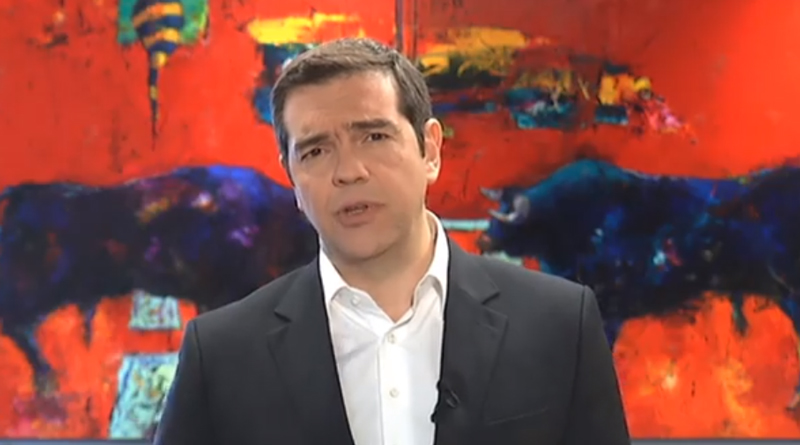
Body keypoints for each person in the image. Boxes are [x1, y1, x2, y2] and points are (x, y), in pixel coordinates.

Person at [154, 37, 630, 445]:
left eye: (374, 137)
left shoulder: (560, 325)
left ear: (431, 150)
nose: (348, 171)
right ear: (292, 178)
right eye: (316, 150)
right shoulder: (221, 355)